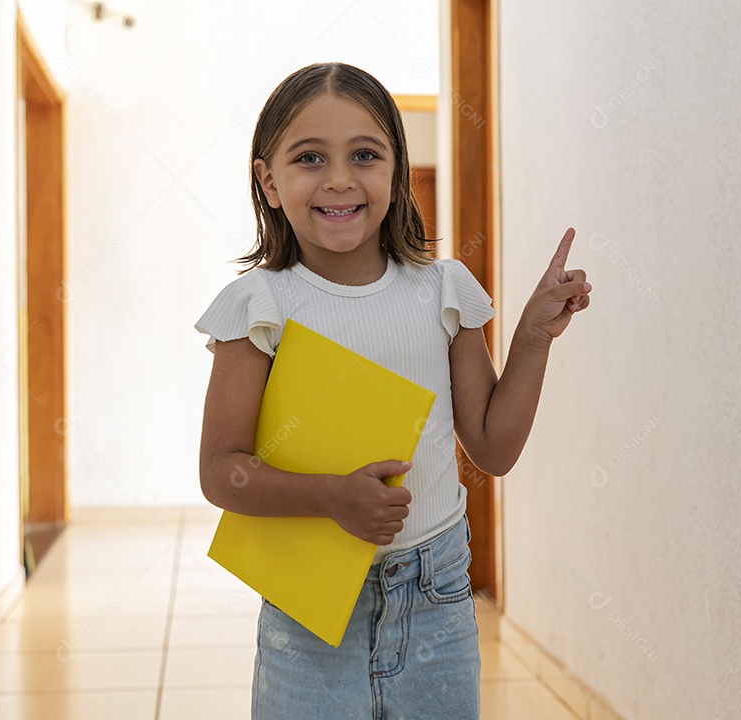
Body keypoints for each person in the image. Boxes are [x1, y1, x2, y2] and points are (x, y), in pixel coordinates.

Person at [195, 61, 591, 720]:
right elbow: (219, 472)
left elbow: (492, 447)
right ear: (269, 181)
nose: (340, 179)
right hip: (311, 612)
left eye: (365, 155)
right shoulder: (259, 304)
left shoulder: (444, 290)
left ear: (395, 170)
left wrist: (532, 337)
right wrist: (332, 497)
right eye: (309, 158)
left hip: (436, 594)